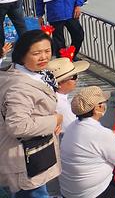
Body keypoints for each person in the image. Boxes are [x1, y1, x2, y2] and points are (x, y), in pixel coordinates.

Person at [0, 30, 62, 197]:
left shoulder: (26, 73)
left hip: (29, 151)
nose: (44, 57)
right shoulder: (19, 87)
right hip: (25, 160)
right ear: (21, 55)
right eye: (36, 53)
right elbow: (17, 126)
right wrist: (54, 119)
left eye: (47, 51)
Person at [59, 86, 115, 198]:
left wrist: (109, 137)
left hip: (68, 191)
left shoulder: (72, 127)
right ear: (98, 107)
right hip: (91, 193)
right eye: (103, 103)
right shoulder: (101, 133)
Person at [47, 57, 89, 134]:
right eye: (74, 77)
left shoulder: (53, 96)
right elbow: (79, 131)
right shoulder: (62, 106)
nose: (76, 79)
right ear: (59, 84)